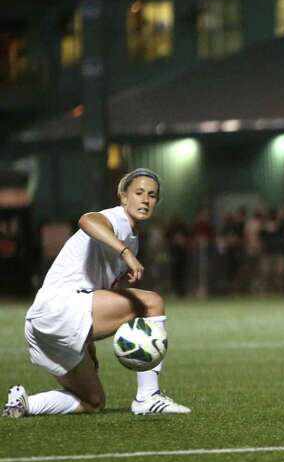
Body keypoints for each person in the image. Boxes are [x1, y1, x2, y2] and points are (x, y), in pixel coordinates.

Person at [3, 169, 190, 418]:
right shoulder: (116, 219)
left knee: (93, 401)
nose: (145, 199)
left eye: (152, 195)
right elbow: (86, 221)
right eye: (139, 193)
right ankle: (148, 397)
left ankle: (25, 403)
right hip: (62, 306)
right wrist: (125, 253)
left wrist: (87, 342)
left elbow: (96, 288)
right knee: (151, 303)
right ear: (123, 197)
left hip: (42, 322)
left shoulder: (131, 237)